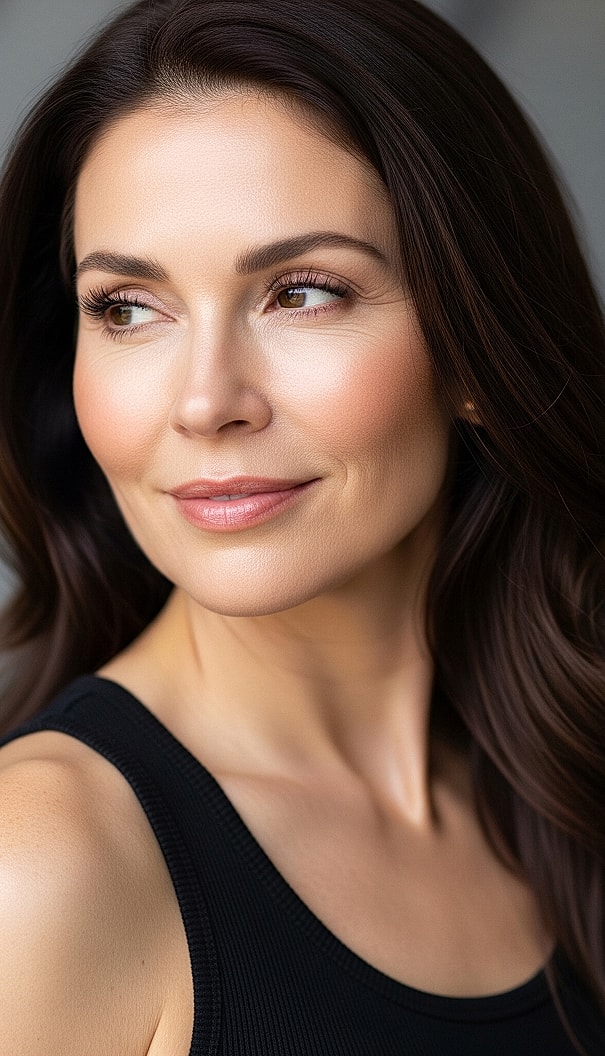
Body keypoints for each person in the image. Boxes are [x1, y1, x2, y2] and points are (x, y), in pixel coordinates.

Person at [0, 0, 603, 1051]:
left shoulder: (560, 770)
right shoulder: (42, 867)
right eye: (128, 308)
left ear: (472, 347)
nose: (204, 402)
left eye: (301, 292)